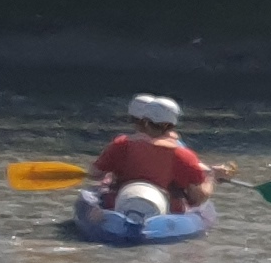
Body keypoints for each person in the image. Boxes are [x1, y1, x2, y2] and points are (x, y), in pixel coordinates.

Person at [75, 95, 232, 231]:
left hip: (117, 205)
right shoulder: (182, 155)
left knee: (105, 193)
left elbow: (94, 174)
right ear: (172, 125)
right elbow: (198, 198)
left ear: (145, 121)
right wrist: (211, 177)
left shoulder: (121, 144)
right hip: (165, 212)